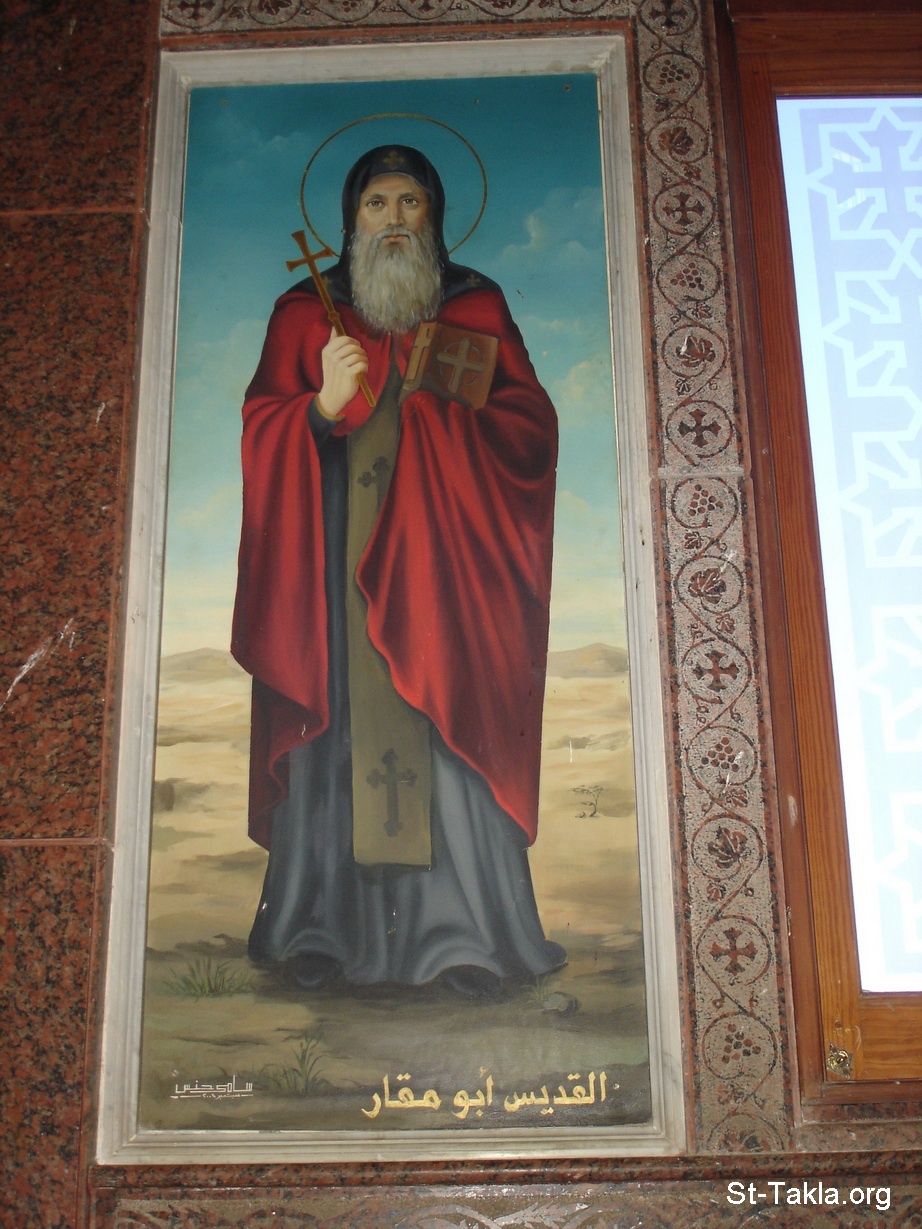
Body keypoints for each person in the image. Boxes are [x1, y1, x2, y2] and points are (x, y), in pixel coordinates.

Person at [231, 144, 564, 997]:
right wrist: (317, 407)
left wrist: (440, 408)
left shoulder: (474, 305)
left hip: (441, 576)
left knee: (440, 715)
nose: (392, 220)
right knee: (336, 734)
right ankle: (318, 929)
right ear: (350, 222)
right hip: (332, 578)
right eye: (375, 203)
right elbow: (263, 429)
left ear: (435, 216)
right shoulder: (304, 314)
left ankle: (465, 935)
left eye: (409, 202)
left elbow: (530, 429)